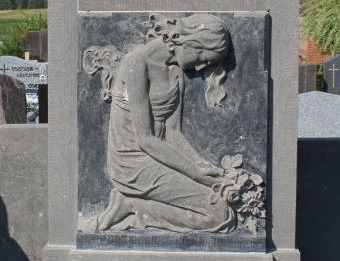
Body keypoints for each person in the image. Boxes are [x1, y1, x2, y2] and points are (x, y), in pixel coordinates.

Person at [83, 13, 235, 233]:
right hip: (132, 162)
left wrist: (202, 166)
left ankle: (134, 204)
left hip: (161, 154)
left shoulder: (176, 72)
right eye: (202, 55)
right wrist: (193, 173)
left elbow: (173, 132)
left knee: (218, 202)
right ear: (185, 39)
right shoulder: (136, 63)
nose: (202, 67)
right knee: (218, 213)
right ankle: (132, 205)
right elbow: (145, 139)